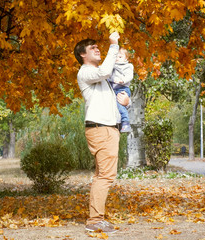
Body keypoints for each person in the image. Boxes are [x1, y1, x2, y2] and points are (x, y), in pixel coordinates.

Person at [74, 32, 129, 233]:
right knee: (106, 176)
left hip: (107, 129)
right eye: (92, 48)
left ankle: (96, 218)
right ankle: (95, 220)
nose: (98, 49)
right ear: (82, 55)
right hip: (101, 129)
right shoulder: (86, 71)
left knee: (102, 176)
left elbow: (109, 101)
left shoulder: (99, 76)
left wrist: (125, 103)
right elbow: (106, 71)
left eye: (99, 47)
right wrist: (114, 46)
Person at [108, 47, 134, 132]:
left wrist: (122, 80)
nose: (117, 59)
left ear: (126, 58)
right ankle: (124, 121)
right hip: (113, 88)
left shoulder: (128, 66)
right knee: (116, 104)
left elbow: (129, 76)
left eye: (120, 57)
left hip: (122, 88)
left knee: (120, 105)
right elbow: (108, 75)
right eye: (116, 57)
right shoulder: (111, 65)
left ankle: (125, 122)